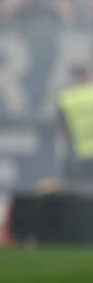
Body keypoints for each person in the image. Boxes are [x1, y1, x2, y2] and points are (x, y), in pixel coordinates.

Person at [57, 64, 93, 192]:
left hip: (77, 149)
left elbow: (62, 125)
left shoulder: (66, 97)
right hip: (81, 149)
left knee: (77, 187)